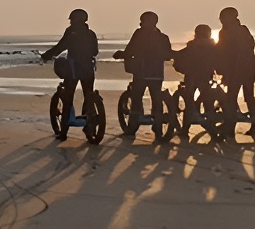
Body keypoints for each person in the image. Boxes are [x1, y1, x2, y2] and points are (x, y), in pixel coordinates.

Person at [40, 8, 99, 140]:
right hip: (88, 69)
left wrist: (47, 55)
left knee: (68, 97)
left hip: (73, 69)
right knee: (88, 95)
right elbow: (95, 51)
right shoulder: (91, 34)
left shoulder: (71, 32)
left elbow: (60, 47)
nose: (70, 21)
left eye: (71, 19)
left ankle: (63, 132)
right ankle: (90, 127)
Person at [113, 11, 173, 141]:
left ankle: (133, 125)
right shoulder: (163, 37)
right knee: (156, 97)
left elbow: (130, 50)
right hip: (157, 73)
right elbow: (168, 55)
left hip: (141, 71)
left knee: (137, 96)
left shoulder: (139, 34)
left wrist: (121, 54)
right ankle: (157, 123)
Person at [172, 24, 227, 132]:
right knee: (208, 100)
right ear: (209, 34)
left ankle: (185, 129)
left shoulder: (192, 46)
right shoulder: (213, 48)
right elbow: (219, 62)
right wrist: (222, 72)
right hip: (206, 76)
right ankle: (210, 123)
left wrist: (181, 68)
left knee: (189, 101)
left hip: (191, 76)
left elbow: (179, 60)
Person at [217, 6, 255, 138]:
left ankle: (230, 127)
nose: (221, 20)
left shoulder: (226, 32)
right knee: (249, 97)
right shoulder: (243, 30)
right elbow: (251, 47)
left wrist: (223, 70)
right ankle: (254, 126)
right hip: (249, 67)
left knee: (232, 98)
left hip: (237, 69)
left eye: (222, 17)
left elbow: (224, 52)